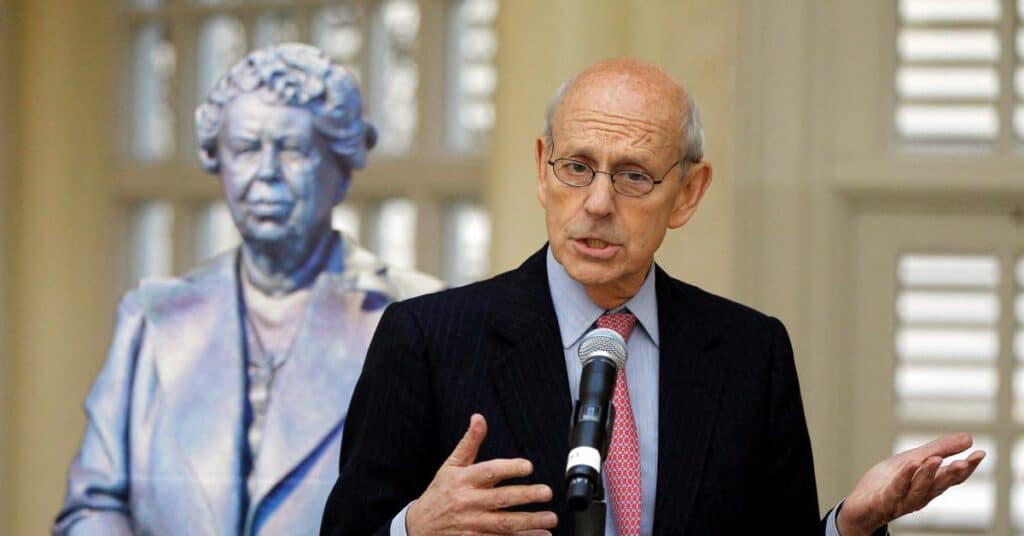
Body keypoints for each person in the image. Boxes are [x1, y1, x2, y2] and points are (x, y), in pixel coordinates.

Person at [319, 59, 985, 535]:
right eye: (577, 168)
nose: (598, 203)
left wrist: (850, 526)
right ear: (541, 168)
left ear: (688, 193)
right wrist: (413, 529)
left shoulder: (751, 352)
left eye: (634, 175)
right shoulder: (428, 338)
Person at [53, 44, 443, 536]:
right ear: (219, 162)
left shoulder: (419, 315)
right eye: (245, 149)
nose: (266, 174)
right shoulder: (151, 318)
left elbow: (443, 512)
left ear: (342, 170)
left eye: (294, 150)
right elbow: (92, 506)